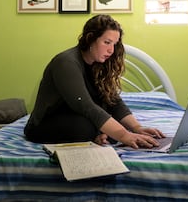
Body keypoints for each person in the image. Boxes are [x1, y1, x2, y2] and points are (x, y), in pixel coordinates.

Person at [24, 14, 164, 149]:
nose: (111, 50)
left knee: (109, 119)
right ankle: (97, 135)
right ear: (91, 38)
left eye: (114, 44)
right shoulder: (66, 63)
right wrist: (125, 135)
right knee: (89, 126)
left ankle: (98, 135)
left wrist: (137, 128)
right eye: (107, 42)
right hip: (45, 124)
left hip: (74, 117)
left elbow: (113, 101)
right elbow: (86, 106)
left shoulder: (98, 63)